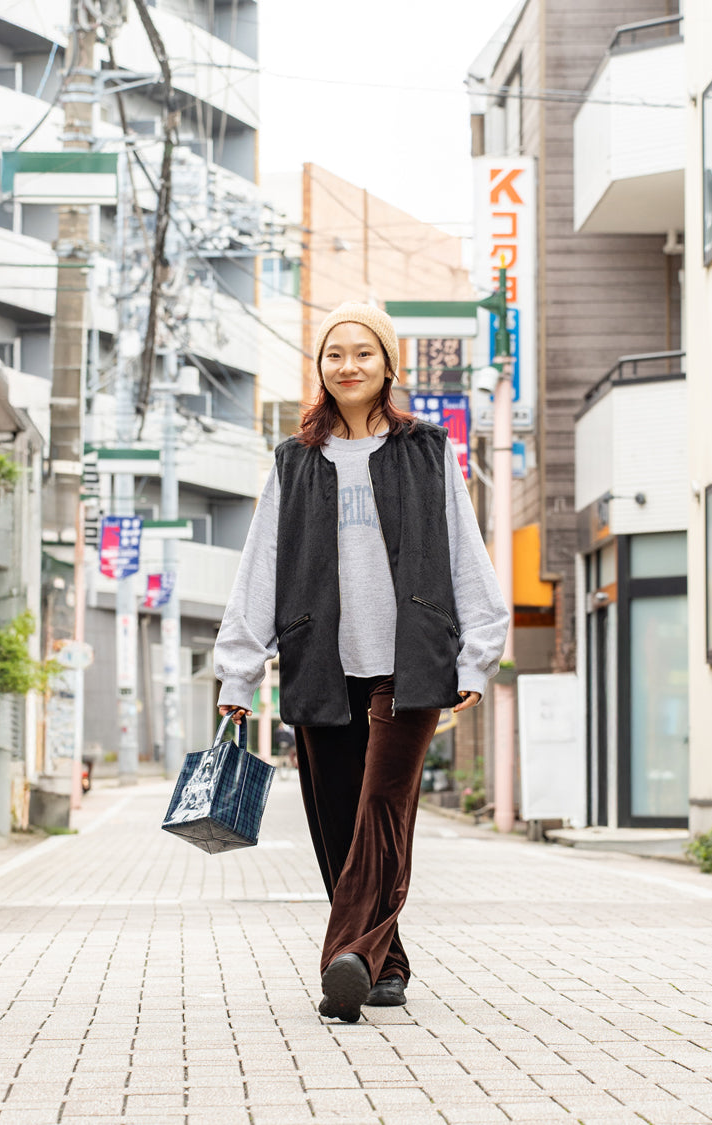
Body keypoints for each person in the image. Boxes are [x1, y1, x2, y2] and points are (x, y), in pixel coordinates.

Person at [213, 301, 509, 1023]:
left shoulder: (429, 452)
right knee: (336, 821)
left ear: (388, 364)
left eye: (363, 352)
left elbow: (466, 555)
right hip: (319, 661)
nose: (348, 365)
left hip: (410, 665)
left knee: (382, 808)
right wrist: (238, 670)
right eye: (334, 354)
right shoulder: (295, 461)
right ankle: (387, 962)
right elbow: (262, 567)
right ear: (320, 369)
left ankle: (343, 956)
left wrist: (476, 656)